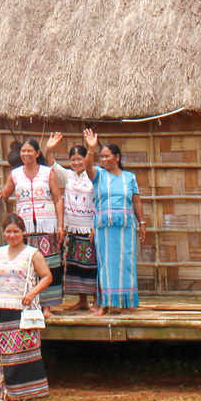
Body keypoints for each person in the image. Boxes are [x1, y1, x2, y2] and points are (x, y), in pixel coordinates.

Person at [0, 216, 52, 401]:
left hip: (24, 308)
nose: (12, 235)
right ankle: (10, 392)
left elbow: (47, 276)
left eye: (16, 232)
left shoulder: (32, 253)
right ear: (3, 233)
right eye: (8, 232)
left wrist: (33, 293)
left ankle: (32, 391)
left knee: (27, 350)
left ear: (23, 233)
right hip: (3, 307)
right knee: (7, 354)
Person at [0, 135, 65, 308]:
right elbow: (5, 194)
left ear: (37, 153)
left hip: (47, 225)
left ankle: (47, 307)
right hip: (26, 227)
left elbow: (58, 199)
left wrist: (60, 226)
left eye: (29, 151)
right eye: (23, 151)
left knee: (49, 264)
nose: (26, 154)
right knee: (28, 265)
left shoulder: (48, 172)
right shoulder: (15, 174)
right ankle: (28, 302)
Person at [90, 133, 145, 312]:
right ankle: (105, 304)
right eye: (102, 156)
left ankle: (125, 304)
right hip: (104, 227)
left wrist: (142, 223)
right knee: (105, 263)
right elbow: (87, 166)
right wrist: (91, 148)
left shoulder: (129, 177)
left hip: (125, 227)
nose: (104, 160)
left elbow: (136, 201)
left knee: (125, 262)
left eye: (107, 156)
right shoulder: (98, 174)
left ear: (117, 157)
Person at [60, 134, 98, 311]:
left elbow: (99, 200)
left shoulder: (93, 175)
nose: (76, 163)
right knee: (75, 265)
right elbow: (51, 162)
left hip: (89, 227)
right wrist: (49, 149)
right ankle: (82, 300)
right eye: (73, 160)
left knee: (92, 266)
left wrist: (95, 225)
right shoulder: (68, 176)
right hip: (72, 227)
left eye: (79, 159)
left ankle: (96, 301)